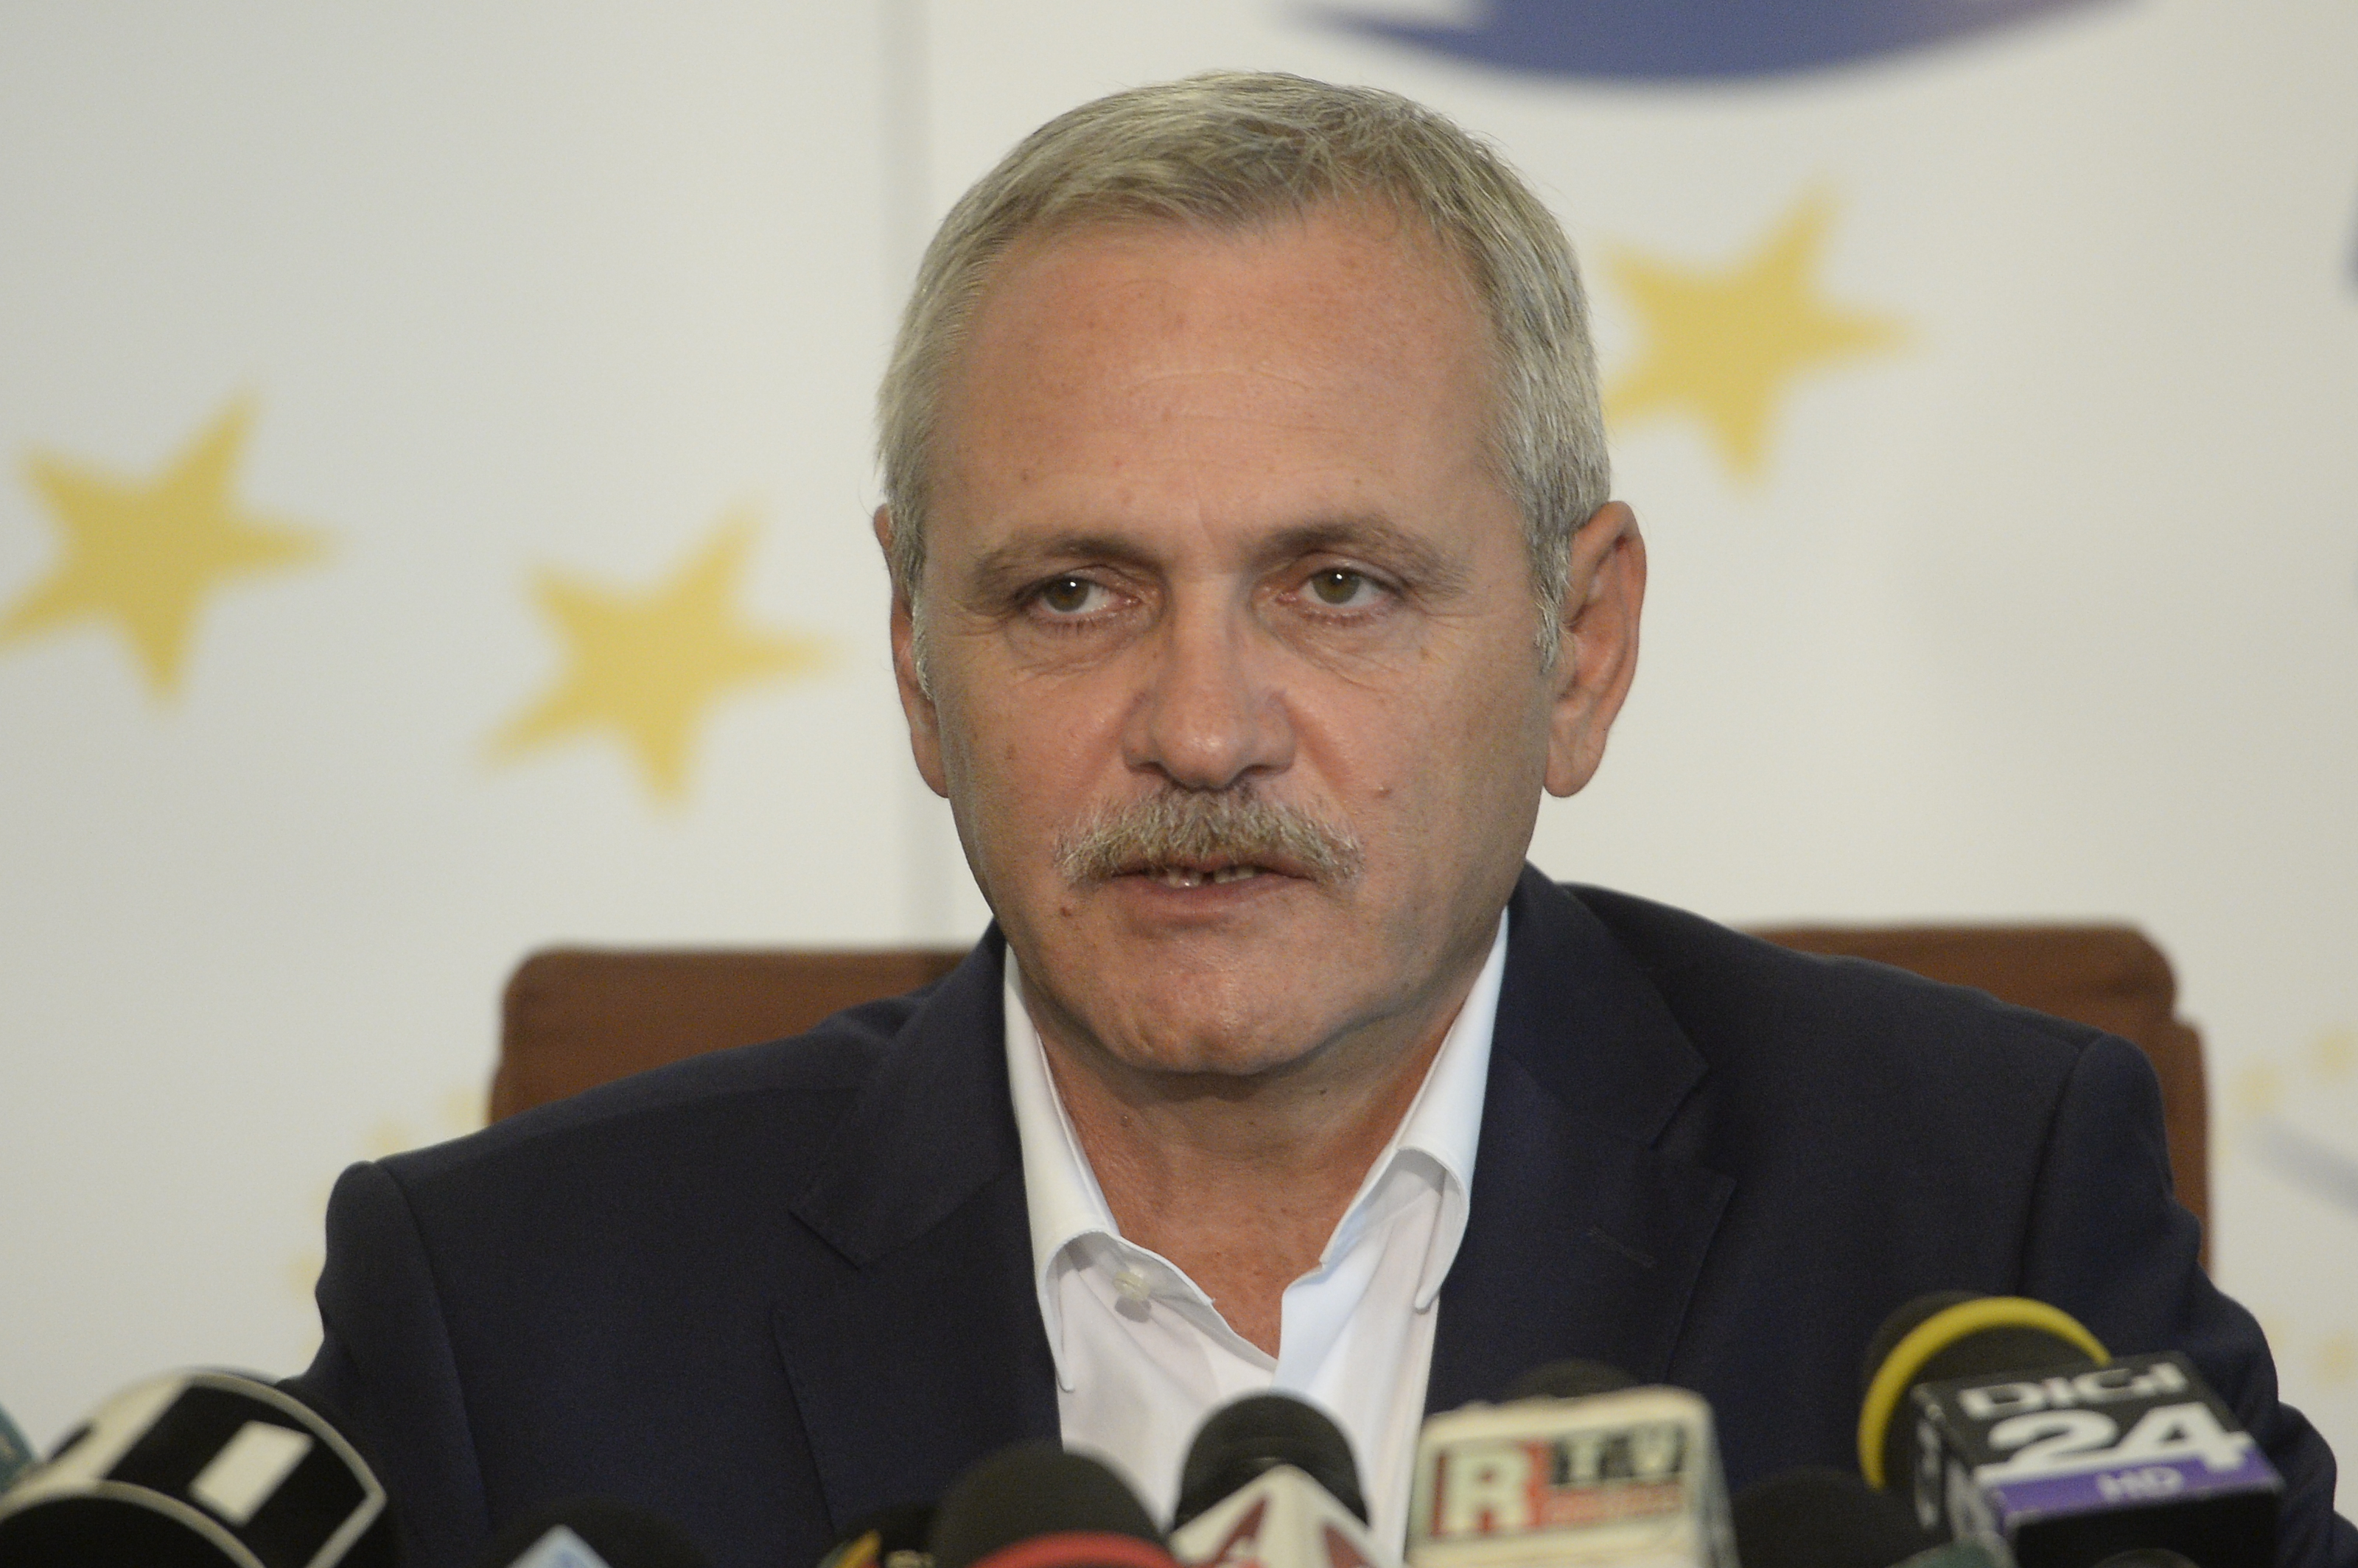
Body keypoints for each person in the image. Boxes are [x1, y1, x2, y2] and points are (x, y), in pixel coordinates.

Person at [290, 72, 2354, 1568]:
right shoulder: (513, 1308)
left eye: (1338, 586)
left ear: (1578, 649)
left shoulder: (1974, 1201)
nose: (1203, 731)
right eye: (1071, 594)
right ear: (920, 666)